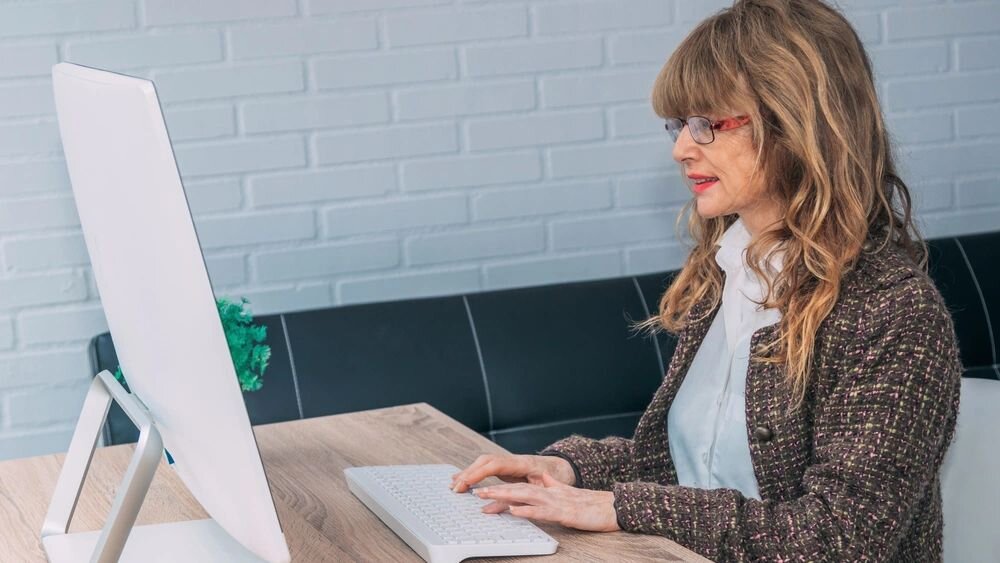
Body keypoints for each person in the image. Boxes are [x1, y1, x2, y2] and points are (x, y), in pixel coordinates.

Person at [449, 0, 964, 560]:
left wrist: (623, 507)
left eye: (706, 125)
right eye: (679, 125)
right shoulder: (725, 270)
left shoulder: (893, 311)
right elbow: (689, 466)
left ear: (795, 123)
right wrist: (569, 468)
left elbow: (838, 539)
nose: (680, 148)